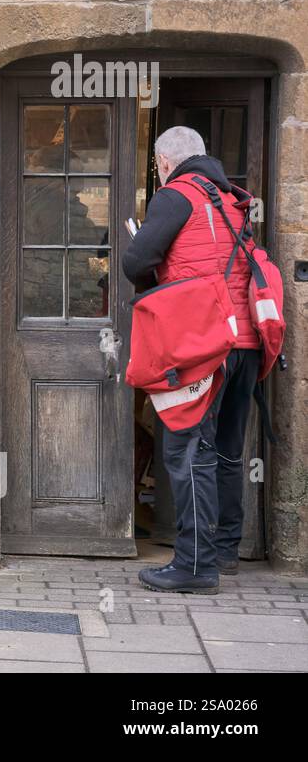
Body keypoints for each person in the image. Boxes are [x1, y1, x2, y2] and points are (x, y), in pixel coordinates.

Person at [122, 126, 262, 593]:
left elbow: (135, 262)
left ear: (164, 162)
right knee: (224, 450)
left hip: (205, 346)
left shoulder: (176, 195)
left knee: (186, 451)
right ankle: (225, 550)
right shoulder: (230, 200)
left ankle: (195, 565)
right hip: (244, 345)